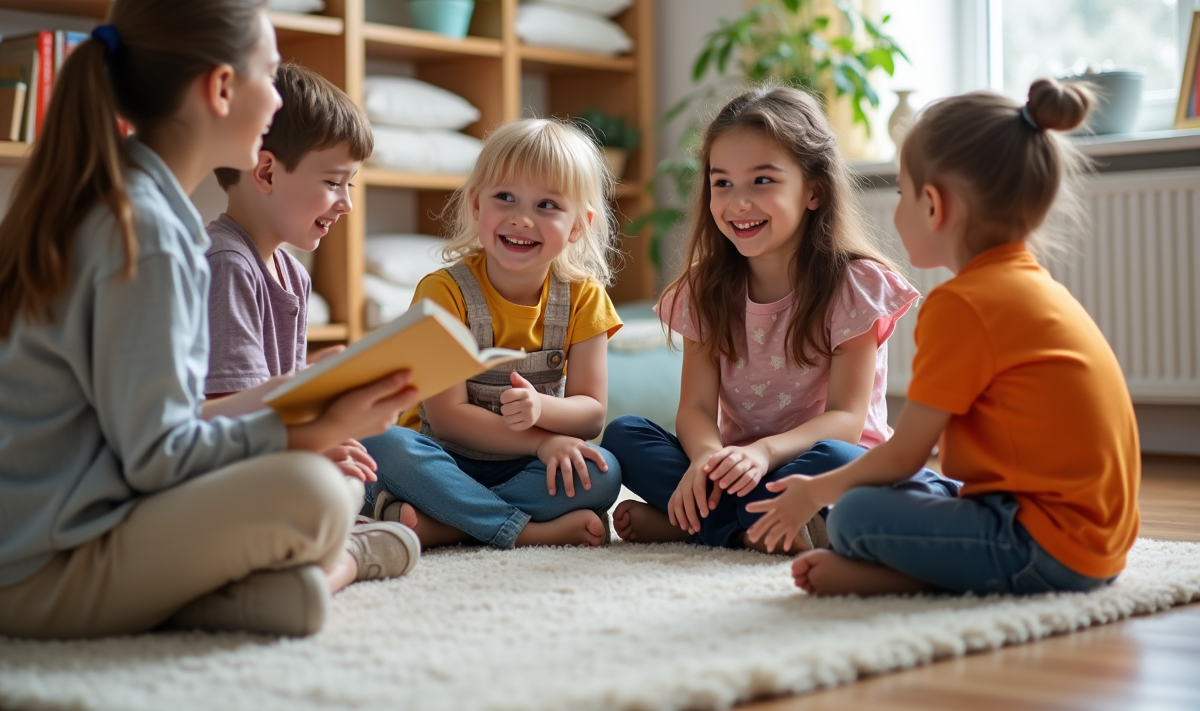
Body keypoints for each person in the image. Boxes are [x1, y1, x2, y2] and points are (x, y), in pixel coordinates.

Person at [0, 0, 419, 640]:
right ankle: (310, 565)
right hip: (47, 564)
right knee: (318, 493)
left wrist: (304, 390)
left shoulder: (130, 204)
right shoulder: (151, 235)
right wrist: (305, 429)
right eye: (269, 73)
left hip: (55, 536)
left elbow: (148, 428)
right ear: (222, 88)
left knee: (314, 534)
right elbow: (159, 456)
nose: (277, 101)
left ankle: (279, 588)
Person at [745, 79, 1141, 596]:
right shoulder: (1033, 287)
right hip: (1093, 542)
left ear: (933, 205)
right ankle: (904, 569)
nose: (897, 208)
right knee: (900, 490)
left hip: (1047, 548)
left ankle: (890, 579)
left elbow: (905, 453)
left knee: (855, 514)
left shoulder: (964, 304)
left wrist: (810, 493)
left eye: (903, 193)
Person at [602, 86, 955, 552]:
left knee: (832, 457)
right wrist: (707, 457)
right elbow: (697, 409)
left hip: (825, 467)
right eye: (722, 182)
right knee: (625, 434)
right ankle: (751, 528)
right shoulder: (703, 290)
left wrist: (764, 451)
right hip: (735, 468)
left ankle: (694, 524)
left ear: (814, 190)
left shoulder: (854, 286)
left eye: (762, 181)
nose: (738, 202)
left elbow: (846, 421)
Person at [366, 118, 624, 550]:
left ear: (578, 226)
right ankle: (524, 531)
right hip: (443, 457)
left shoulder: (584, 297)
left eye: (546, 206)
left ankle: (447, 523)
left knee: (605, 471)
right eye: (505, 197)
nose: (521, 218)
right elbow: (448, 418)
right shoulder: (443, 291)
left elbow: (592, 412)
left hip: (518, 468)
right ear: (476, 206)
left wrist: (543, 409)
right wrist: (544, 443)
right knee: (381, 440)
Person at [206, 62, 420, 579]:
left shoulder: (293, 276)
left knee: (371, 464)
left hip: (271, 460)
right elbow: (226, 415)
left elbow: (289, 407)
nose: (346, 204)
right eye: (334, 182)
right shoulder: (226, 264)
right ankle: (340, 559)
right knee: (335, 489)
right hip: (226, 468)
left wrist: (326, 436)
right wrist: (315, 447)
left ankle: (335, 544)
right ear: (266, 173)